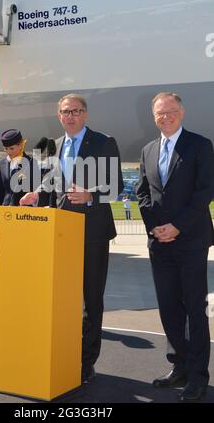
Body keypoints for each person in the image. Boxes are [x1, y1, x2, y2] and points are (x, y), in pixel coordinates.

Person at [20, 93, 123, 384]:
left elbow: (116, 186)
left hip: (93, 233)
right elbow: (52, 181)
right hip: (61, 233)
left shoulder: (104, 141)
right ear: (59, 116)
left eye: (76, 111)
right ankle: (64, 352)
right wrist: (37, 193)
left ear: (85, 114)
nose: (70, 116)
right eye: (65, 111)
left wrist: (92, 195)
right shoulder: (52, 145)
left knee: (91, 299)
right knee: (62, 299)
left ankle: (86, 360)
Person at [136, 92, 214, 402]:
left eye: (170, 111)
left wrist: (177, 226)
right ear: (153, 116)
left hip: (192, 240)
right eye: (159, 113)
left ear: (181, 112)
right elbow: (142, 193)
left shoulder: (200, 145)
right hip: (160, 243)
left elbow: (205, 191)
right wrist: (154, 227)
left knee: (194, 309)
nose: (165, 117)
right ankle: (178, 366)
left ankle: (198, 374)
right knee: (169, 307)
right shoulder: (148, 150)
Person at [0, 129, 39, 206]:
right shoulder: (2, 163)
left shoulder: (31, 163)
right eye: (6, 148)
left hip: (23, 211)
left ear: (20, 145)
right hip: (5, 211)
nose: (9, 152)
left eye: (12, 148)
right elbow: (0, 191)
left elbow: (36, 189)